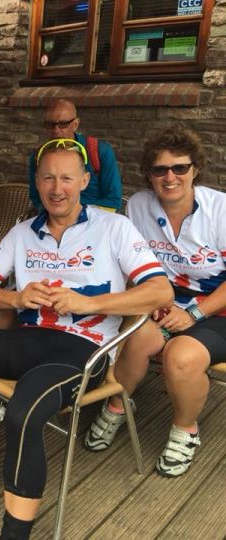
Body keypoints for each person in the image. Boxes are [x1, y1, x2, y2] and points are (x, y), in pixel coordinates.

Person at [0, 139, 172, 539]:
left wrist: (87, 303)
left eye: (67, 177)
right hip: (26, 338)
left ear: (84, 181)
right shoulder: (21, 232)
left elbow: (160, 292)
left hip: (83, 349)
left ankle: (15, 533)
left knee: (22, 412)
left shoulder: (113, 226)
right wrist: (15, 297)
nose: (57, 187)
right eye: (48, 177)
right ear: (37, 182)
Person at [84, 125, 226, 478]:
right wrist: (152, 302)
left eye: (180, 168)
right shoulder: (140, 206)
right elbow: (135, 266)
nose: (170, 177)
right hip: (165, 302)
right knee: (135, 338)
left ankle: (185, 430)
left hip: (217, 309)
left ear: (195, 169)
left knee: (181, 357)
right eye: (160, 169)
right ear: (149, 174)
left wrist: (193, 312)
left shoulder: (221, 209)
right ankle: (118, 405)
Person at [28, 99, 122, 212]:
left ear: (75, 124)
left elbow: (113, 200)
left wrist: (76, 216)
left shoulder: (99, 151)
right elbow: (36, 198)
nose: (56, 130)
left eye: (63, 124)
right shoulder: (38, 156)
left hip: (94, 221)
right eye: (50, 124)